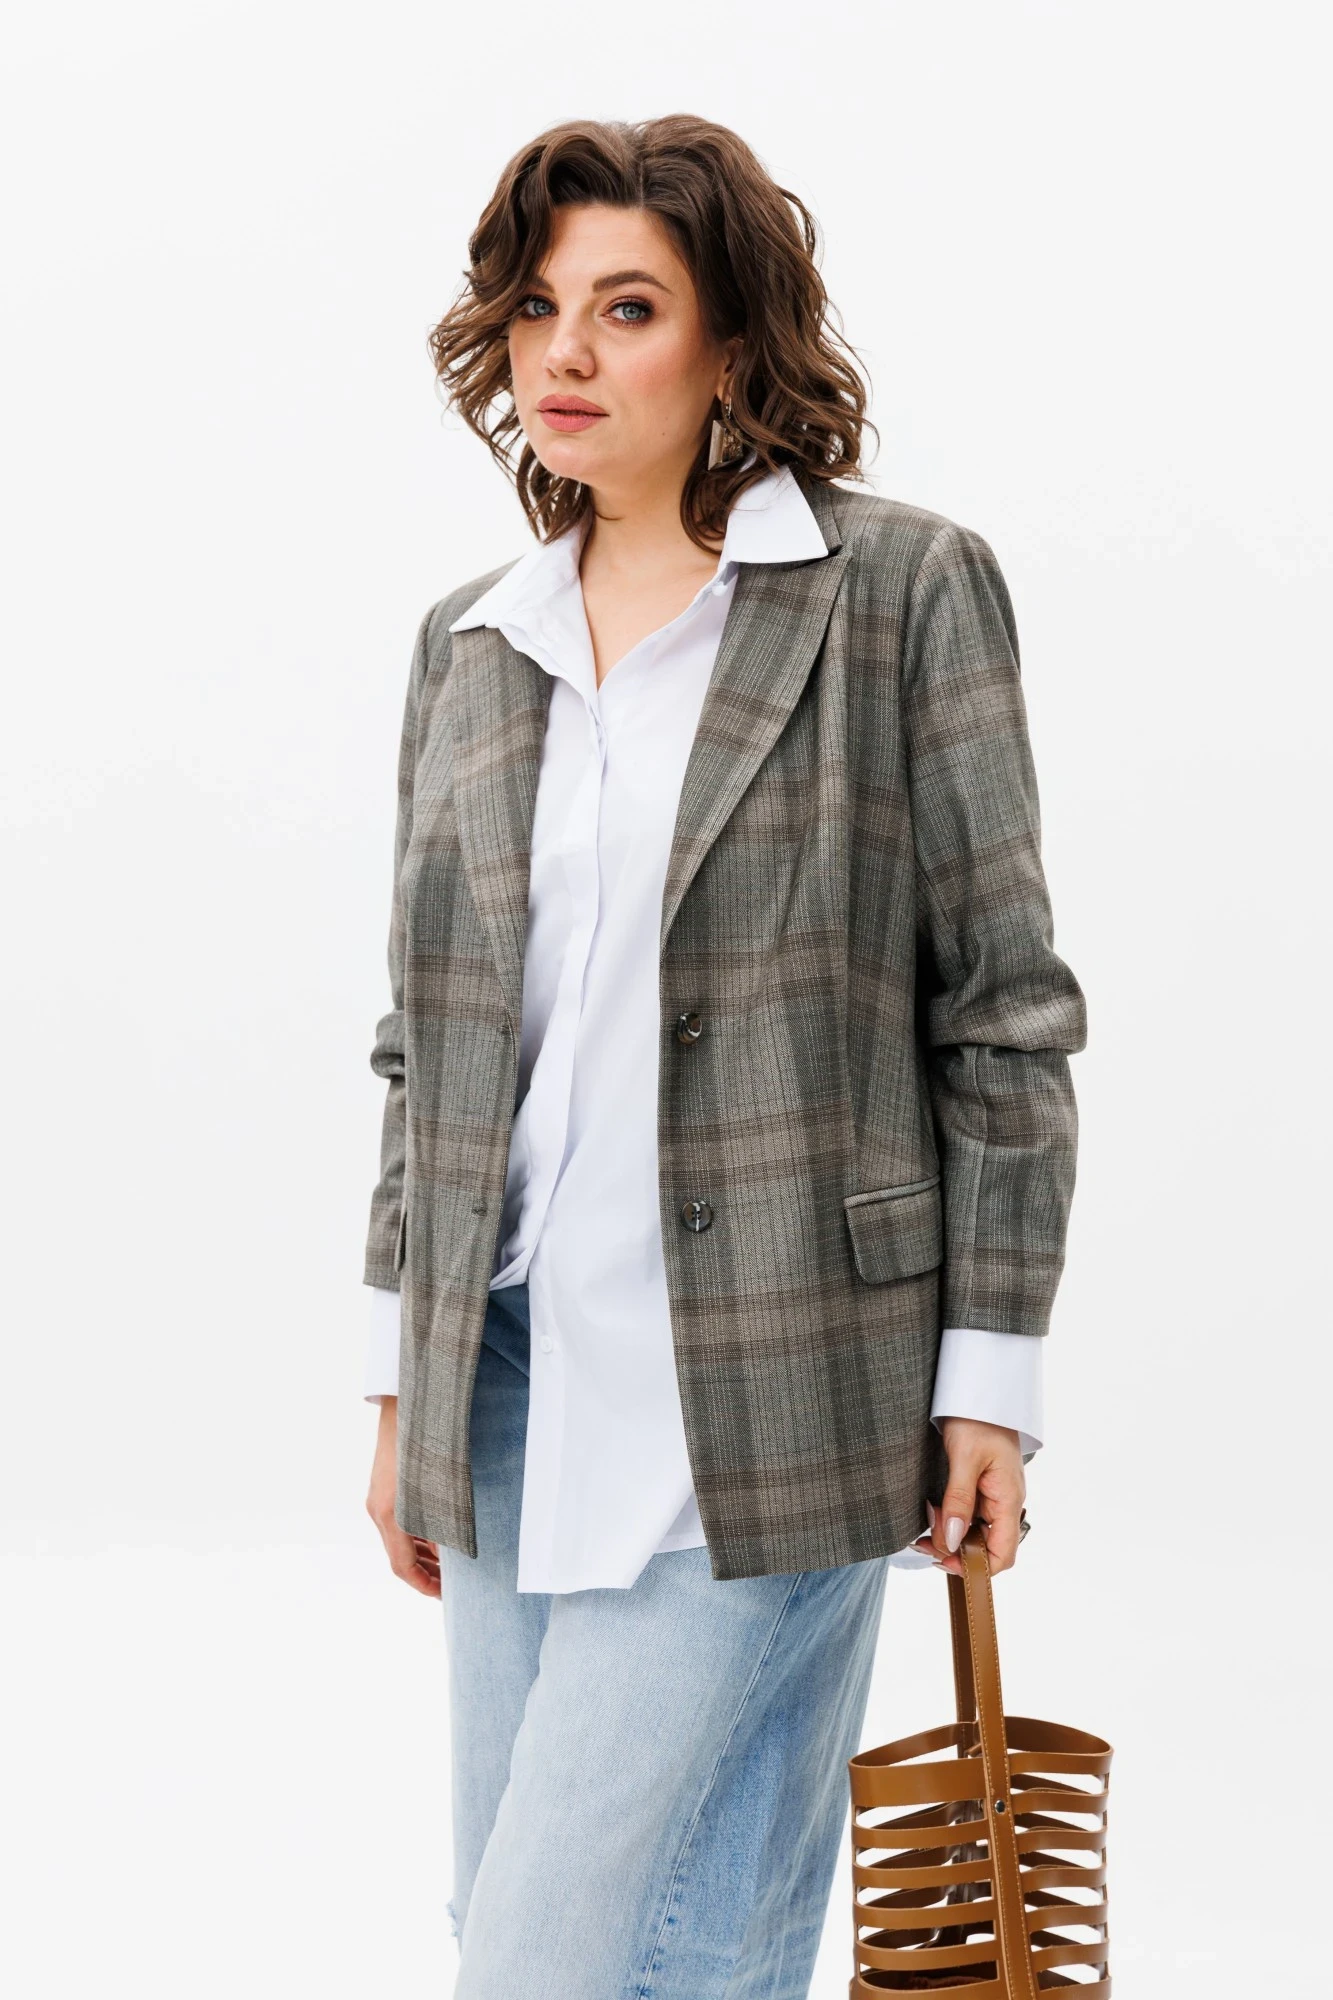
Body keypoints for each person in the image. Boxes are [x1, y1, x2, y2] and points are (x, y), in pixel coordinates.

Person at [360, 114, 1085, 1999]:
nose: (565, 355)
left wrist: (989, 1378)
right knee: (655, 1934)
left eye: (628, 308)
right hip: (508, 1380)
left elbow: (1003, 1007)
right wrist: (398, 1378)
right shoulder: (471, 645)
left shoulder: (896, 593)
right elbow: (426, 1045)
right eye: (538, 310)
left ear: (735, 345)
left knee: (549, 1950)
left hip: (776, 1381)